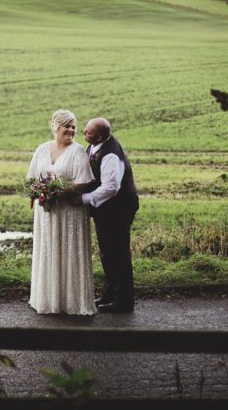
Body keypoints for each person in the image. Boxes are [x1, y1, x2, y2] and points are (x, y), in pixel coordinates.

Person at [26, 110, 97, 315]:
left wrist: (58, 192)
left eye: (74, 126)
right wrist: (38, 192)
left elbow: (84, 181)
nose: (71, 130)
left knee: (69, 253)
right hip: (46, 213)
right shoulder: (42, 149)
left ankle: (72, 302)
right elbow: (31, 178)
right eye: (67, 126)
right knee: (48, 251)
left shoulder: (78, 151)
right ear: (56, 127)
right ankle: (48, 300)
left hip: (69, 213)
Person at [79, 117, 139, 313]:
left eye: (88, 132)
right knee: (107, 253)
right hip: (107, 210)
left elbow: (111, 187)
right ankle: (110, 295)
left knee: (118, 254)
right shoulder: (95, 146)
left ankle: (124, 302)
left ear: (99, 137)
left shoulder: (111, 155)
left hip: (119, 209)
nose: (84, 133)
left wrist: (84, 199)